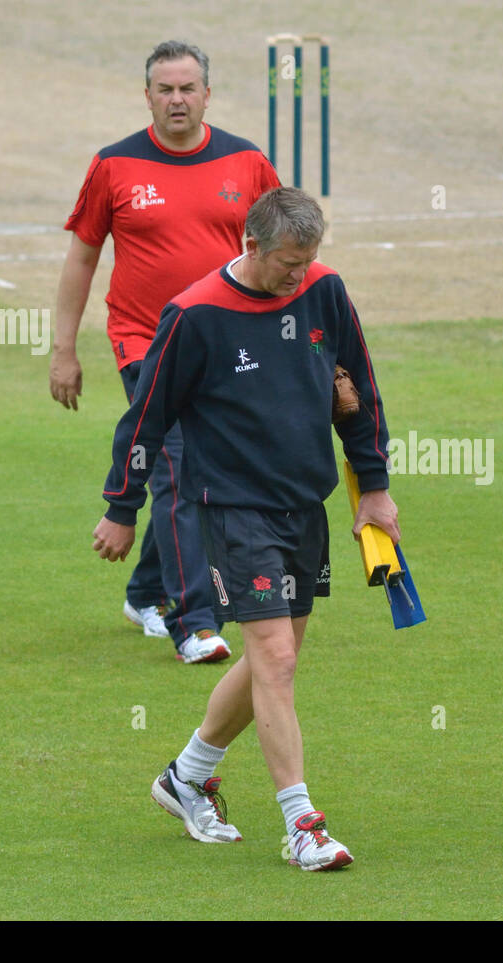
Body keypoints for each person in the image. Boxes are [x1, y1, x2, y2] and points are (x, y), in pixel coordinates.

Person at [91, 187, 398, 870]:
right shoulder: (197, 314)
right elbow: (145, 416)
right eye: (289, 262)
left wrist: (373, 487)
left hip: (303, 505)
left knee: (275, 656)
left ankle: (187, 774)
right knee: (277, 658)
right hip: (232, 507)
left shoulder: (323, 290)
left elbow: (359, 389)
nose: (299, 275)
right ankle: (303, 825)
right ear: (251, 246)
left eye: (309, 259)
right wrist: (122, 504)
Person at [51, 40, 281, 663]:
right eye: (164, 89)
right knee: (177, 466)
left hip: (226, 345)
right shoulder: (114, 166)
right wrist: (62, 350)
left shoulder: (247, 162)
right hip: (143, 341)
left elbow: (280, 255)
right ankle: (194, 622)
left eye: (187, 88)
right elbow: (83, 256)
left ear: (207, 94)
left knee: (206, 473)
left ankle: (146, 589)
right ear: (146, 95)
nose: (176, 99)